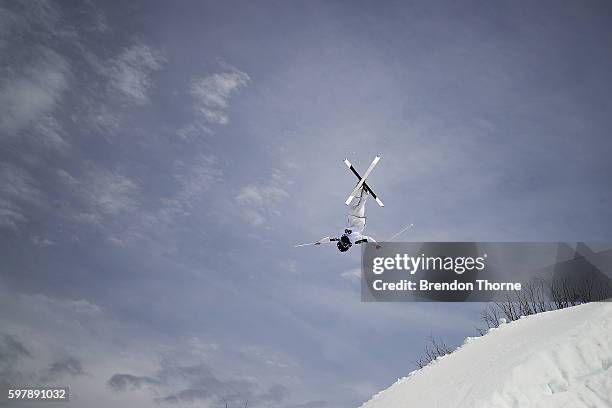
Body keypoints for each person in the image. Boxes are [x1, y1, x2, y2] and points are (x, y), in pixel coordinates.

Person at [318, 186, 376, 252]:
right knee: (361, 204)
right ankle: (365, 192)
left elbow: (329, 239)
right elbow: (368, 239)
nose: (341, 239)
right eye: (341, 242)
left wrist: (320, 242)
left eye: (340, 241)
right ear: (346, 244)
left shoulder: (340, 237)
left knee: (353, 203)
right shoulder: (355, 240)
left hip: (351, 216)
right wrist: (376, 244)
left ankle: (359, 190)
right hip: (358, 219)